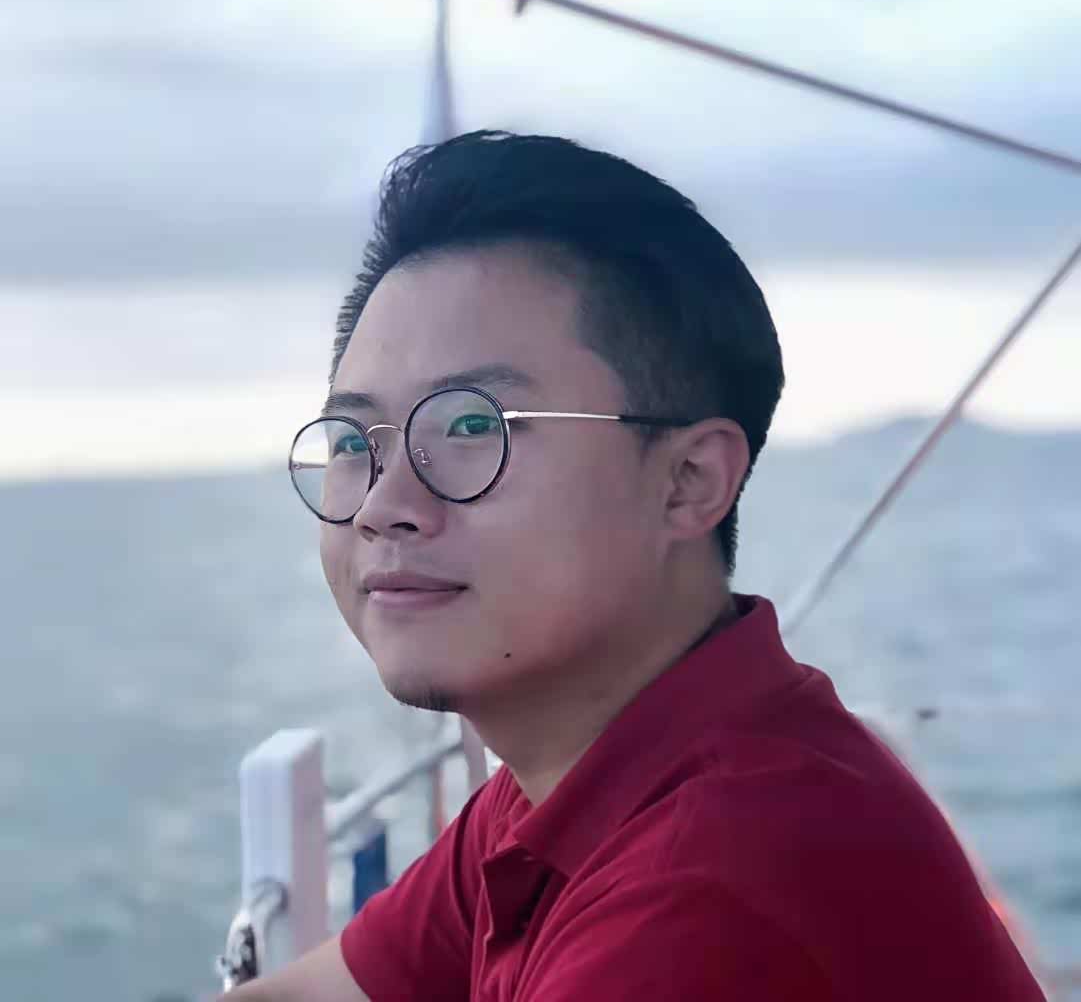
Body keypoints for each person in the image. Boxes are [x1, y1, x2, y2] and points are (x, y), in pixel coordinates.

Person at [223, 131, 1046, 1000]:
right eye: (356, 441)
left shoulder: (714, 893)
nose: (383, 503)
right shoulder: (572, 779)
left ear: (687, 481)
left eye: (472, 427)